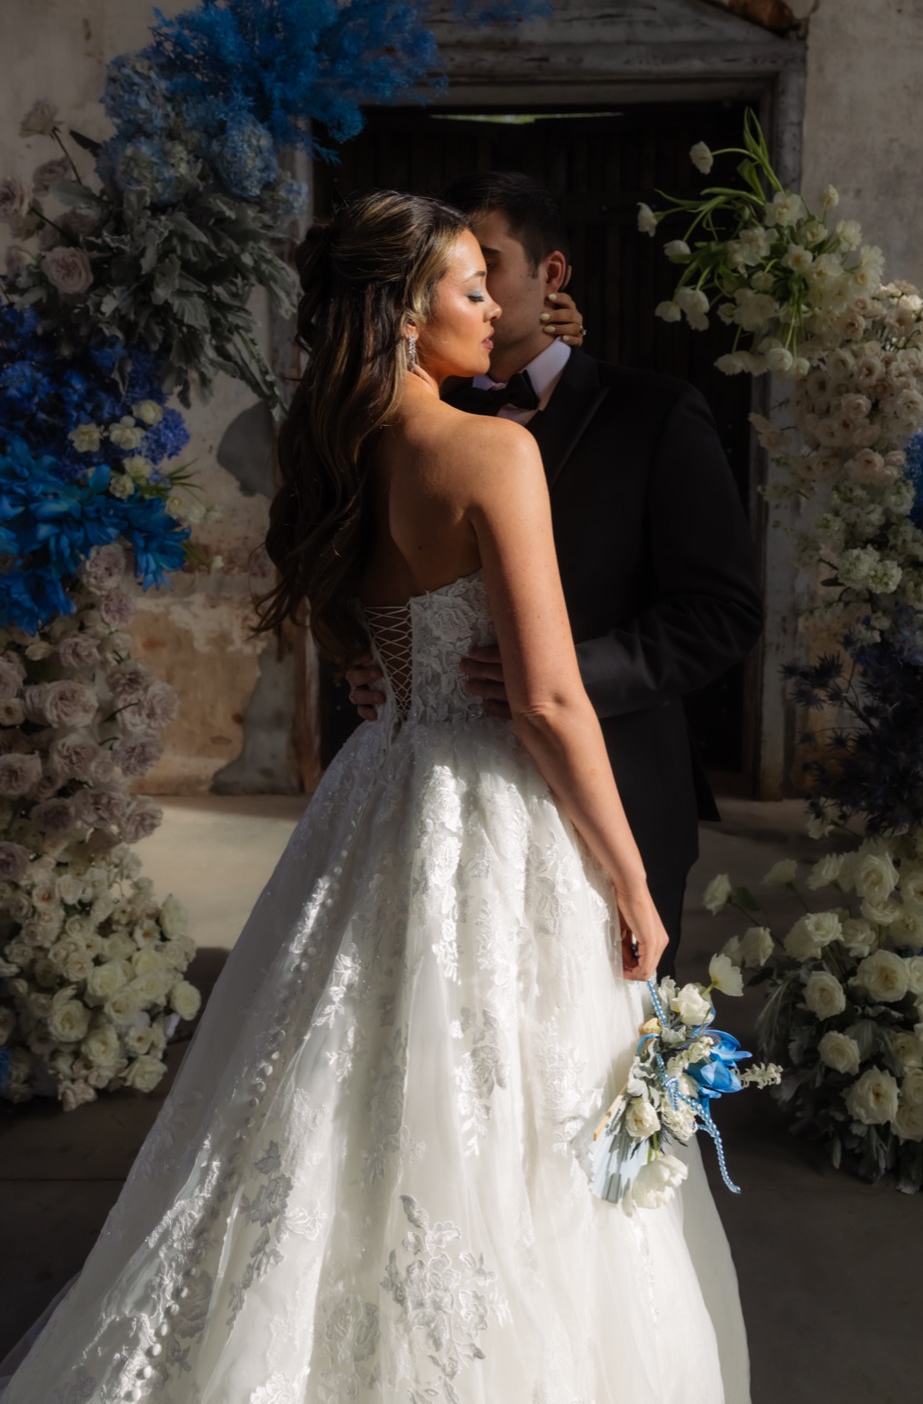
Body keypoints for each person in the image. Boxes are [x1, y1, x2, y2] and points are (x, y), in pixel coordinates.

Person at [0, 191, 748, 1404]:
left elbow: (366, 654)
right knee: (500, 1120)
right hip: (493, 813)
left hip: (379, 794)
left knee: (334, 1096)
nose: (494, 307)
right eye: (467, 289)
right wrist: (628, 881)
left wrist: (383, 669)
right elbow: (549, 704)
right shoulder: (492, 450)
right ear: (405, 316)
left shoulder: (336, 453)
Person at [348, 170, 764, 976]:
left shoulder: (653, 413)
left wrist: (567, 672)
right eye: (461, 277)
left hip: (620, 781)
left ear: (553, 276)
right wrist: (376, 663)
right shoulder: (413, 424)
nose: (486, 298)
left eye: (489, 266)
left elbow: (723, 609)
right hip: (441, 803)